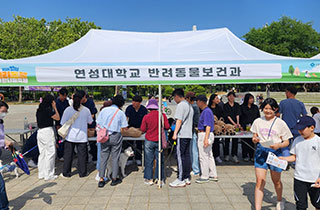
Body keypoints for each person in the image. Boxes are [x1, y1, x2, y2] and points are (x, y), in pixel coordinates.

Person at [251, 98, 292, 210]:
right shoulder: (258, 121)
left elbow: (287, 141)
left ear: (275, 109)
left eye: (270, 109)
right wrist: (255, 139)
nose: (268, 111)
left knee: (276, 181)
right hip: (261, 152)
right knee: (260, 181)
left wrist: (278, 145)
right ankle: (257, 208)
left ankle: (279, 200)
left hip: (275, 153)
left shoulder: (281, 123)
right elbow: (254, 136)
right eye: (265, 108)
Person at [279, 116, 320, 210]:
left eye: (302, 129)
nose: (300, 131)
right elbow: (294, 157)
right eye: (299, 129)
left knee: (317, 203)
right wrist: (283, 159)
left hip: (315, 179)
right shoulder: (297, 140)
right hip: (299, 177)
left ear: (312, 128)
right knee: (300, 205)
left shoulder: (318, 141)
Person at [97, 95, 128, 187]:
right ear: (121, 104)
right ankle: (114, 178)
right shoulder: (120, 113)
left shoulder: (104, 110)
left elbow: (98, 122)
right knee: (115, 157)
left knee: (103, 157)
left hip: (104, 135)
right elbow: (124, 127)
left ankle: (101, 179)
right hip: (115, 135)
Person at [60, 91, 93, 178]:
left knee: (68, 155)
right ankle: (82, 173)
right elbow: (90, 122)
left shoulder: (68, 110)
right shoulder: (86, 110)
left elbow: (62, 122)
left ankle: (66, 172)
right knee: (82, 155)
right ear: (82, 100)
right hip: (82, 136)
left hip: (70, 136)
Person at [140, 99, 170, 186]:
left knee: (149, 160)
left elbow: (143, 129)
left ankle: (149, 179)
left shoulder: (146, 117)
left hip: (149, 140)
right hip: (159, 140)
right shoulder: (162, 115)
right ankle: (159, 178)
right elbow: (167, 126)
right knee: (160, 160)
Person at [169, 88, 194, 188]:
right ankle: (186, 177)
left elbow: (179, 121)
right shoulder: (189, 105)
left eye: (174, 98)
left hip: (182, 134)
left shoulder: (181, 105)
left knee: (180, 156)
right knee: (186, 156)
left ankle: (180, 179)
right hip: (188, 134)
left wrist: (174, 134)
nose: (174, 100)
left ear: (177, 96)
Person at [36, 94, 60, 181]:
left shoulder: (39, 110)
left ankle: (41, 173)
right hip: (47, 132)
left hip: (40, 132)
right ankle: (49, 174)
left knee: (42, 153)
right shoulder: (48, 110)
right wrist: (55, 107)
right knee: (51, 152)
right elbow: (57, 118)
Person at [278, 86, 307, 159]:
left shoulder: (283, 102)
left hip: (285, 127)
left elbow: (278, 114)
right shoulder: (300, 103)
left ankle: (286, 160)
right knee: (296, 144)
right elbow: (305, 116)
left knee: (285, 145)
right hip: (297, 127)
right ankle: (295, 161)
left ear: (288, 93)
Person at [195, 95, 218, 184]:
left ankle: (205, 175)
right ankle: (213, 174)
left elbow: (208, 125)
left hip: (204, 134)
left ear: (201, 101)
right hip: (206, 134)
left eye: (197, 101)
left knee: (203, 156)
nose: (197, 104)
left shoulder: (206, 111)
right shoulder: (207, 111)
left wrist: (205, 138)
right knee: (209, 155)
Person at [125, 95, 148, 165]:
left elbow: (145, 120)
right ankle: (129, 159)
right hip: (130, 129)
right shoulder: (129, 108)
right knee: (129, 143)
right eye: (133, 101)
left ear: (139, 102)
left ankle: (138, 158)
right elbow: (126, 118)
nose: (133, 103)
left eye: (135, 102)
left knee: (139, 144)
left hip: (140, 129)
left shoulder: (143, 109)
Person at [240, 93, 260, 162]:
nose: (252, 100)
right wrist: (241, 126)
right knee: (245, 142)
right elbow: (240, 117)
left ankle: (252, 156)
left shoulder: (255, 107)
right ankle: (245, 155)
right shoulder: (242, 107)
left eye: (252, 98)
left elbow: (258, 117)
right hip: (244, 127)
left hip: (253, 127)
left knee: (252, 141)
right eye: (250, 98)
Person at [0, 101, 13, 210]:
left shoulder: (1, 123)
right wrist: (4, 142)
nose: (5, 113)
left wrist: (5, 145)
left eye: (5, 112)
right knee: (1, 187)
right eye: (3, 111)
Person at [223, 92, 241, 163]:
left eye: (233, 96)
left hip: (235, 125)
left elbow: (238, 114)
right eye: (230, 96)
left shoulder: (237, 105)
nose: (231, 97)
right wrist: (234, 123)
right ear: (227, 97)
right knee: (227, 140)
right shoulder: (225, 105)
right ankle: (226, 154)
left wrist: (237, 123)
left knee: (235, 140)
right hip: (228, 125)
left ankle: (234, 155)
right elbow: (227, 116)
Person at [80, 91, 98, 162]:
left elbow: (92, 115)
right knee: (82, 145)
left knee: (92, 143)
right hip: (82, 126)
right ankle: (85, 159)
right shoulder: (79, 103)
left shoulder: (90, 102)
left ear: (84, 96)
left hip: (91, 126)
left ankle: (95, 158)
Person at [185, 92, 200, 176]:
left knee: (193, 150)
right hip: (192, 130)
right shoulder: (194, 106)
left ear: (189, 99)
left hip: (191, 130)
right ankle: (193, 168)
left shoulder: (193, 107)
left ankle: (196, 169)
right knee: (192, 150)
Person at [208, 94, 224, 164]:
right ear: (212, 100)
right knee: (209, 142)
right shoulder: (208, 108)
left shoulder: (219, 108)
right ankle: (210, 156)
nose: (218, 100)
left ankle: (217, 156)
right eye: (216, 98)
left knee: (216, 142)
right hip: (209, 128)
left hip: (217, 128)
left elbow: (221, 118)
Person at [55, 87, 69, 160]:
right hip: (59, 123)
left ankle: (65, 153)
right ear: (59, 94)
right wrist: (58, 124)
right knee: (60, 139)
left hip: (66, 123)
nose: (64, 97)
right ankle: (60, 155)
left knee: (65, 139)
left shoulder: (66, 102)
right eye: (62, 95)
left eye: (65, 96)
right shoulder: (56, 103)